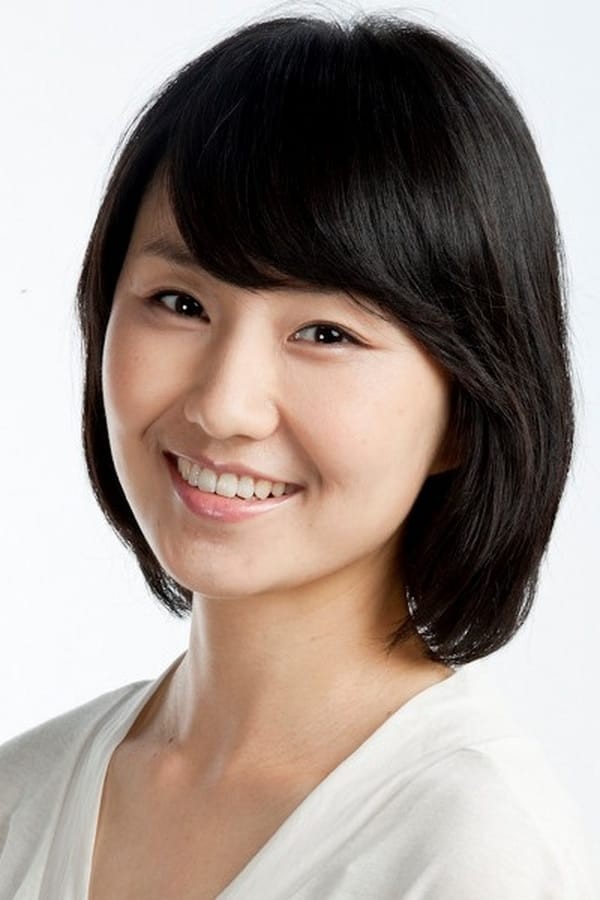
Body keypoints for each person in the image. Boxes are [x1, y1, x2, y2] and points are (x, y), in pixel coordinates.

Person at [0, 11, 595, 900]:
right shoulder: (20, 798)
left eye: (325, 332)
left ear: (465, 412)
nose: (223, 405)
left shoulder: (471, 856)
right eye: (180, 302)